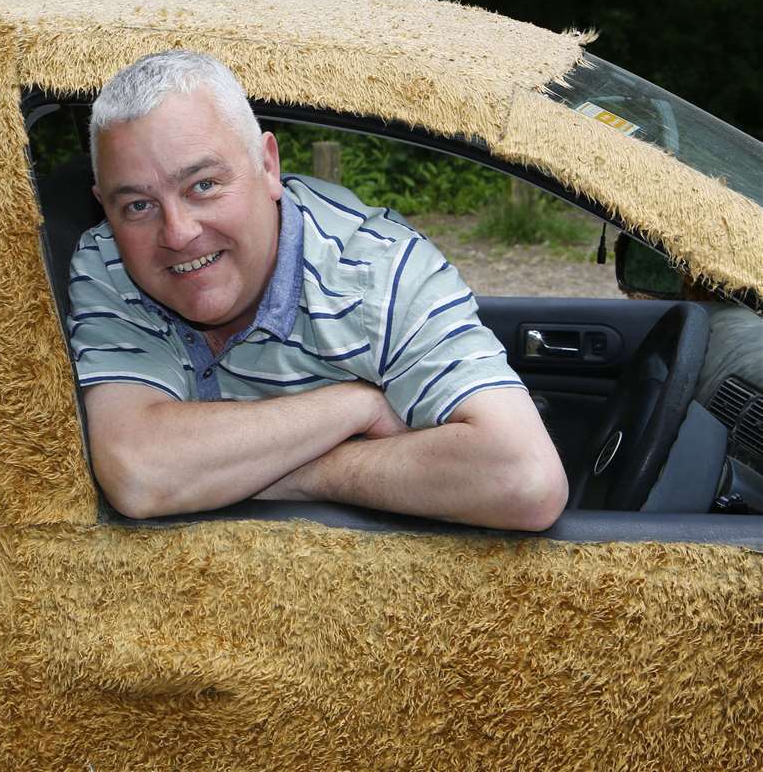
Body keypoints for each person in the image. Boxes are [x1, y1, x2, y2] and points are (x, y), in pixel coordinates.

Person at [68, 50, 569, 530]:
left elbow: (524, 478)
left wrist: (286, 473)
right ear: (105, 208)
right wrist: (355, 406)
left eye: (203, 185)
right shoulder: (107, 264)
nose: (177, 233)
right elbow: (140, 475)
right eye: (137, 205)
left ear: (267, 166)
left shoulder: (379, 272)